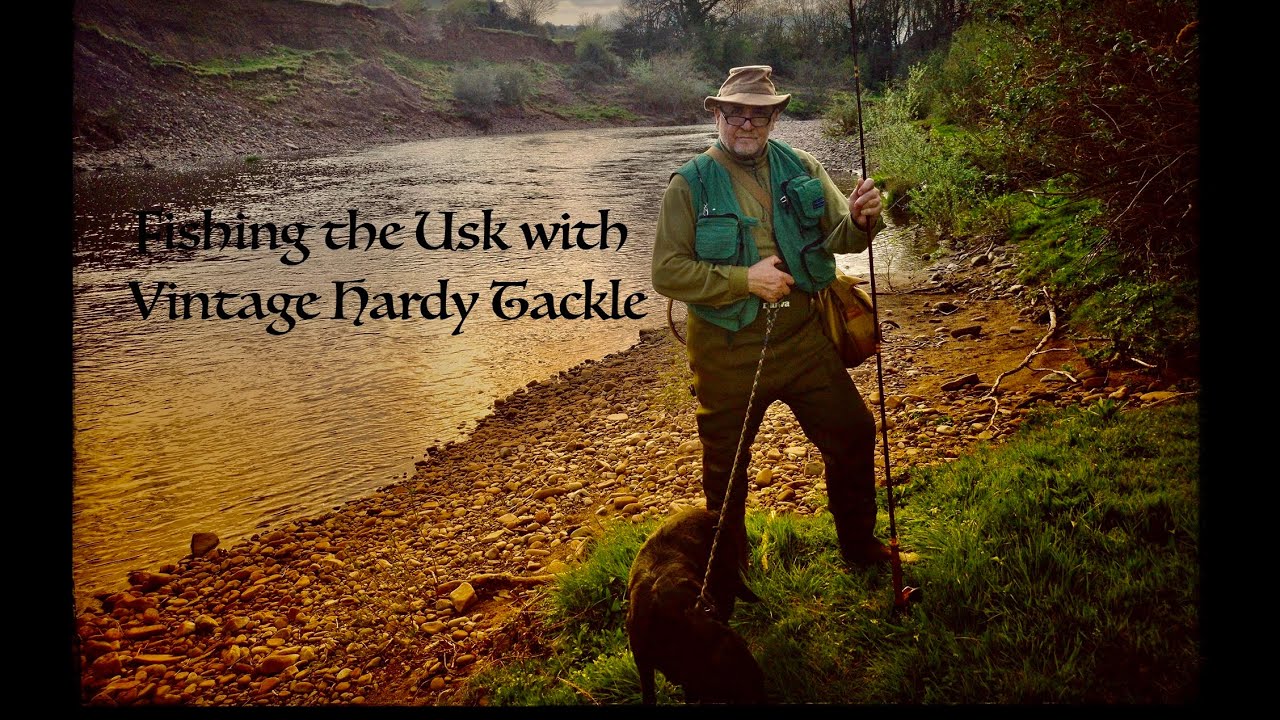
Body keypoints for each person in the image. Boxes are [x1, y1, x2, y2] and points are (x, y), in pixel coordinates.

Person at [651, 65, 890, 590]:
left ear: (774, 117)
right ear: (717, 114)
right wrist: (744, 279)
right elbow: (666, 272)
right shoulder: (688, 184)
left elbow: (843, 239)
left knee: (853, 433)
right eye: (735, 113)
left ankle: (860, 547)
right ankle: (726, 580)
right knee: (727, 474)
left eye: (758, 115)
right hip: (725, 349)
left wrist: (862, 218)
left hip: (803, 338)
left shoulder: (804, 166)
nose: (746, 124)